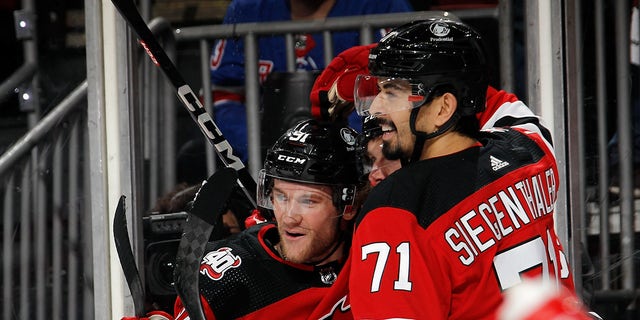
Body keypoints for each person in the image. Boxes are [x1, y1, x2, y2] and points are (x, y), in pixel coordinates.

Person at [308, 18, 580, 319]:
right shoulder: (529, 152)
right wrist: (439, 66)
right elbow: (498, 104)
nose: (374, 109)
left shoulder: (395, 208)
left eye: (392, 92)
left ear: (442, 109)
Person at [173, 119, 364, 319]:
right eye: (281, 197)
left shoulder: (371, 255)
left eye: (308, 201)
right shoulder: (229, 274)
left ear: (349, 205)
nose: (289, 218)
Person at [205, 0, 413, 163]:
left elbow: (403, 91)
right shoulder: (245, 9)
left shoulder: (384, 5)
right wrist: (255, 150)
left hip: (362, 154)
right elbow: (223, 94)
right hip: (265, 156)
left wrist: (352, 145)